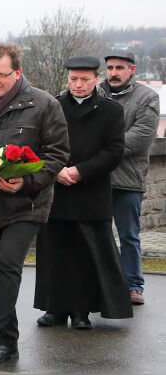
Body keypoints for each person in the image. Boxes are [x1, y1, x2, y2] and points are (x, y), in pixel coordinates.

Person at [0, 42, 69, 364]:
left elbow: (58, 153)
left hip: (28, 204)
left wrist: (27, 181)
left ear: (17, 72)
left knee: (7, 264)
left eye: (0, 75)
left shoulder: (44, 104)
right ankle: (6, 343)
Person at [35, 56, 132, 329]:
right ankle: (54, 308)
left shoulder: (111, 111)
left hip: (90, 193)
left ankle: (81, 311)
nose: (78, 85)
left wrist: (80, 171)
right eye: (73, 79)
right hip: (56, 192)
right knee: (54, 253)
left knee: (85, 255)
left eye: (84, 80)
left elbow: (114, 152)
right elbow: (39, 144)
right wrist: (56, 170)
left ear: (96, 80)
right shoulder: (53, 106)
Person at [99, 51, 159, 306]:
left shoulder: (147, 97)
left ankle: (134, 285)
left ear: (132, 70)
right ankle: (101, 283)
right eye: (110, 67)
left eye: (120, 68)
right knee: (97, 235)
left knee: (129, 235)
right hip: (96, 179)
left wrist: (99, 152)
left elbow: (140, 138)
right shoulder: (95, 93)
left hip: (127, 179)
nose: (114, 72)